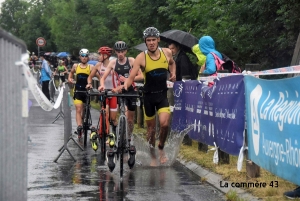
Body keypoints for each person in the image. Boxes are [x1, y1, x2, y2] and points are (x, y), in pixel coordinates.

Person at [124, 27, 176, 166]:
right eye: (148, 40)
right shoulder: (141, 57)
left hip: (162, 96)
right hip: (148, 97)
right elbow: (132, 76)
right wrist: (125, 86)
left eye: (154, 40)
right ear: (145, 42)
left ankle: (161, 148)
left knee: (165, 124)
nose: (151, 43)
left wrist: (173, 73)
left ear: (158, 40)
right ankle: (152, 155)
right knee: (151, 131)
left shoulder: (167, 53)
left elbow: (172, 63)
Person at [99, 41, 143, 141]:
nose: (120, 54)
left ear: (126, 51)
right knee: (122, 114)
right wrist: (102, 85)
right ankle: (120, 135)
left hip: (131, 91)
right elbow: (103, 77)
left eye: (122, 51)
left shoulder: (131, 61)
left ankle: (129, 137)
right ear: (115, 52)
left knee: (130, 119)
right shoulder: (113, 63)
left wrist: (129, 80)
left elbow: (141, 76)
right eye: (118, 52)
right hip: (119, 92)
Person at [86, 46, 119, 151]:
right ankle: (103, 132)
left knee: (113, 118)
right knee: (104, 111)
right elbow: (90, 77)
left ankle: (114, 134)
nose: (99, 56)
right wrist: (90, 84)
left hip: (113, 92)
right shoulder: (98, 65)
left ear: (106, 55)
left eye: (100, 54)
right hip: (103, 92)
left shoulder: (113, 64)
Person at [68, 48, 95, 138]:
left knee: (84, 111)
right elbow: (71, 73)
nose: (84, 58)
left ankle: (83, 124)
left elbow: (99, 76)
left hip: (86, 91)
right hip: (78, 90)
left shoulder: (90, 67)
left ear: (88, 58)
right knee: (79, 109)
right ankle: (79, 127)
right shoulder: (76, 66)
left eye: (86, 56)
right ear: (80, 57)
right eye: (82, 56)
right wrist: (70, 79)